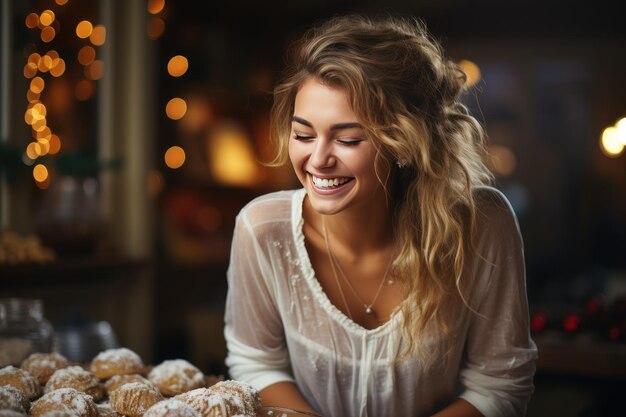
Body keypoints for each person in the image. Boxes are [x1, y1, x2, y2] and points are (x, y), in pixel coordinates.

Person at [224, 14, 537, 417]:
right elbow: (256, 365)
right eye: (303, 135)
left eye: (349, 139)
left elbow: (500, 385)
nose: (318, 160)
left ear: (405, 143)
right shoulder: (262, 228)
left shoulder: (483, 224)